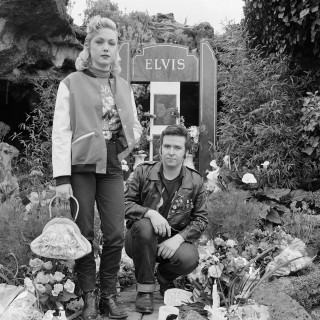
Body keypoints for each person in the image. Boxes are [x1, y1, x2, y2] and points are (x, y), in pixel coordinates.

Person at [52, 16, 142, 320]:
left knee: (116, 233)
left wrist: (126, 142)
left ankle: (108, 296)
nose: (106, 48)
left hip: (113, 165)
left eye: (111, 43)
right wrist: (61, 178)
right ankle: (89, 297)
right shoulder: (71, 84)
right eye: (99, 42)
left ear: (116, 50)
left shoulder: (123, 86)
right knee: (85, 233)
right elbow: (61, 132)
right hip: (80, 166)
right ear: (88, 47)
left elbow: (134, 126)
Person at [124, 124, 208, 314]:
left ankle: (164, 276)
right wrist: (150, 213)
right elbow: (124, 204)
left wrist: (177, 239)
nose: (171, 152)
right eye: (167, 147)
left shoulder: (195, 181)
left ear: (185, 152)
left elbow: (201, 219)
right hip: (138, 240)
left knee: (190, 258)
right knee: (145, 226)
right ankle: (145, 290)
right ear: (160, 149)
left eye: (177, 148)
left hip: (171, 244)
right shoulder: (142, 172)